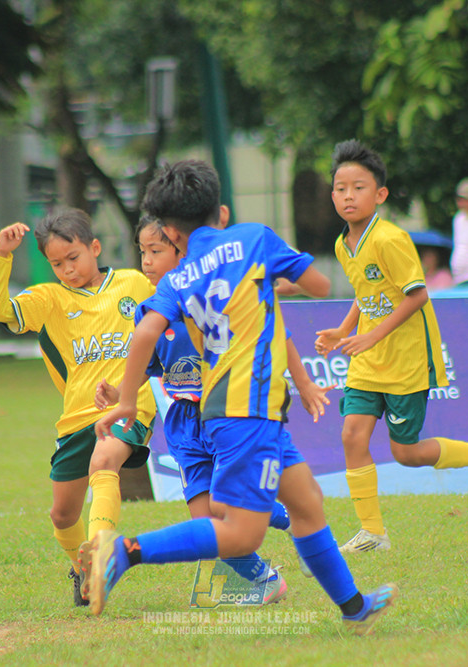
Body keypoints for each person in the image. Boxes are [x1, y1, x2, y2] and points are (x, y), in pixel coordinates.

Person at [89, 160, 397, 636]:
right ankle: (127, 551)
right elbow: (320, 286)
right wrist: (272, 281)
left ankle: (354, 608)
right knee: (239, 533)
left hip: (233, 409)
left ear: (170, 231)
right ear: (221, 210)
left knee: (307, 504)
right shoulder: (254, 238)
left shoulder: (175, 279)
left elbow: (145, 334)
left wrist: (128, 403)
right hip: (246, 411)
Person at [94, 214, 332, 600]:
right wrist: (120, 391)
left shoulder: (222, 294)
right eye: (142, 253)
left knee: (232, 503)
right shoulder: (155, 309)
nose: (147, 262)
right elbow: (148, 366)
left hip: (229, 415)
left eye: (156, 251)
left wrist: (304, 383)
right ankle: (264, 579)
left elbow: (278, 334)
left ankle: (300, 525)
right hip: (184, 423)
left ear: (180, 247)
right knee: (205, 516)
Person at [315, 140, 468, 554]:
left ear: (380, 195)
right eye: (340, 188)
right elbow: (365, 293)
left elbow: (417, 295)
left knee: (405, 453)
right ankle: (373, 533)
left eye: (358, 187)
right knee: (352, 434)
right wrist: (343, 329)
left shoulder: (390, 239)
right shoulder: (342, 244)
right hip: (368, 361)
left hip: (405, 359)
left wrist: (371, 334)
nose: (348, 196)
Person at [0, 209, 157, 608]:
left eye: (74, 258)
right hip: (77, 417)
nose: (67, 269)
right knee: (62, 515)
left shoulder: (134, 284)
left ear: (95, 248)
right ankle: (83, 569)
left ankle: (101, 557)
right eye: (56, 264)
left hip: (129, 405)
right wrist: (2, 256)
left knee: (105, 461)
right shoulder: (50, 299)